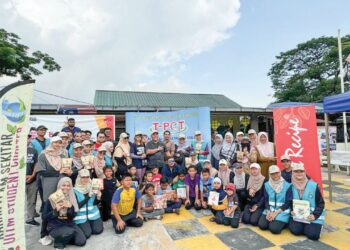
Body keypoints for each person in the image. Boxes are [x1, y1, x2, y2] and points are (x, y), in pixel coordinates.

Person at [36, 136, 65, 246]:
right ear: (51, 143)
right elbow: (42, 172)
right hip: (48, 187)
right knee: (47, 210)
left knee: (59, 209)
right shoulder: (43, 155)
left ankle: (54, 230)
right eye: (56, 142)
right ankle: (43, 235)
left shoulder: (62, 155)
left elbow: (66, 169)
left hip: (60, 186)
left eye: (59, 143)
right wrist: (59, 173)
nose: (58, 145)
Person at [43, 177, 86, 249]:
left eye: (68, 185)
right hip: (55, 226)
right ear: (59, 185)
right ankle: (58, 244)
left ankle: (64, 238)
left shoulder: (72, 197)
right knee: (70, 231)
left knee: (81, 241)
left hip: (69, 224)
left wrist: (70, 208)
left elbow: (73, 216)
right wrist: (56, 210)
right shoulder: (52, 198)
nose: (66, 187)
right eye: (63, 185)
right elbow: (44, 217)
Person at [288, 163, 325, 241]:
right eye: (296, 171)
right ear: (293, 173)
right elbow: (289, 202)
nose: (299, 173)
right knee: (296, 231)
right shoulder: (290, 186)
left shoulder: (313, 185)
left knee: (313, 235)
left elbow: (321, 203)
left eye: (301, 171)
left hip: (312, 216)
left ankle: (313, 227)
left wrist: (315, 215)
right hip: (298, 216)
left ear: (305, 172)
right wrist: (291, 211)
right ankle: (305, 227)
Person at [258, 165, 292, 234]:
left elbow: (288, 203)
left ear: (280, 172)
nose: (275, 175)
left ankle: (284, 222)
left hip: (282, 211)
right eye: (272, 174)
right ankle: (276, 221)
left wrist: (275, 213)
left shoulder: (287, 185)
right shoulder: (266, 185)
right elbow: (266, 200)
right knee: (262, 225)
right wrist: (268, 212)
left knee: (274, 229)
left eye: (277, 173)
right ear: (269, 174)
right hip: (270, 210)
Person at [73, 169, 103, 238]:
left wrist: (98, 197)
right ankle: (85, 226)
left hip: (93, 215)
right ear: (79, 178)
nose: (85, 179)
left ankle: (89, 225)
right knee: (87, 234)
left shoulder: (93, 187)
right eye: (83, 177)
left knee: (98, 230)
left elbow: (95, 203)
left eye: (87, 177)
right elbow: (77, 206)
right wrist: (88, 197)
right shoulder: (74, 190)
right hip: (80, 217)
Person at [26, 134, 40, 226]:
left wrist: (32, 175)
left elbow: (36, 164)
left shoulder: (33, 150)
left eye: (28, 137)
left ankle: (30, 218)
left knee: (32, 199)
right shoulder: (13, 151)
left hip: (32, 179)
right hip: (16, 181)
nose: (26, 139)